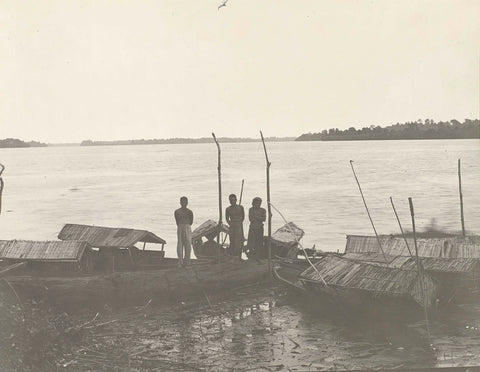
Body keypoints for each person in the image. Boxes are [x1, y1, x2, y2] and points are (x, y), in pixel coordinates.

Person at [174, 196, 193, 267]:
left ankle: (187, 262)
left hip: (187, 226)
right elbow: (177, 221)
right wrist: (181, 225)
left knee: (188, 244)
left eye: (185, 202)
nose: (184, 203)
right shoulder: (177, 211)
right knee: (180, 244)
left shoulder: (190, 212)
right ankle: (180, 262)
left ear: (187, 203)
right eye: (182, 202)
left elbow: (191, 222)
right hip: (180, 226)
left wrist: (185, 225)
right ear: (180, 202)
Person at [225, 194, 245, 260]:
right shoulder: (228, 209)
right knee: (232, 240)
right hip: (232, 225)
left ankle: (239, 256)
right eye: (230, 200)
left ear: (236, 200)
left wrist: (239, 222)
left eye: (233, 200)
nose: (232, 201)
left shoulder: (240, 207)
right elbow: (227, 218)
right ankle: (233, 256)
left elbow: (243, 216)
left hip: (239, 225)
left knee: (239, 240)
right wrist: (230, 223)